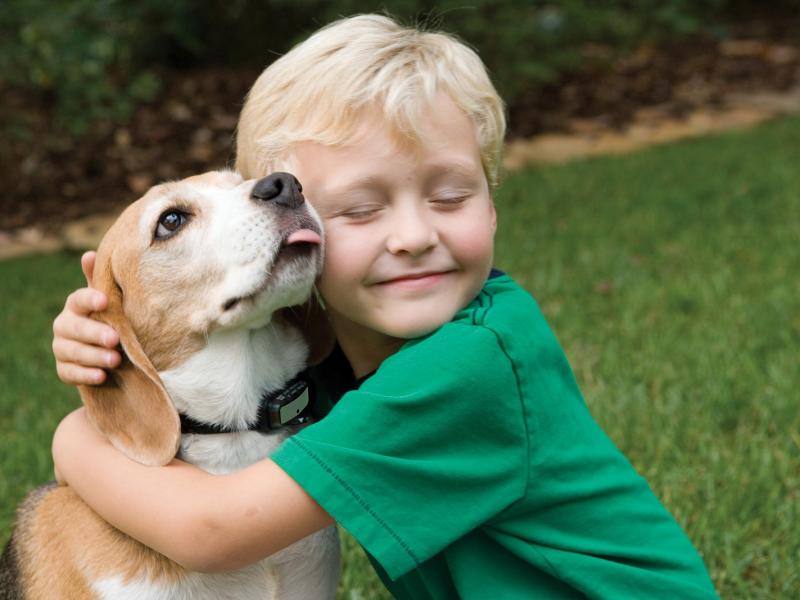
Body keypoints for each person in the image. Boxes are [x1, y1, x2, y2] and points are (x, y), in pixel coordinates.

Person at [50, 14, 718, 599]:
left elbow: (214, 530)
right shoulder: (339, 346)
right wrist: (111, 340)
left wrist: (76, 435)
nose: (414, 236)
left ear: (492, 204)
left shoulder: (469, 363)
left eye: (451, 196)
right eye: (362, 209)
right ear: (301, 225)